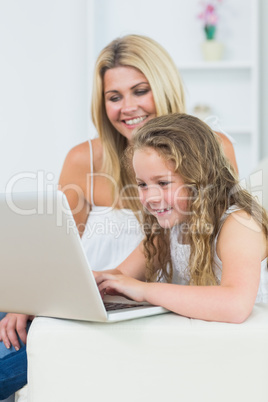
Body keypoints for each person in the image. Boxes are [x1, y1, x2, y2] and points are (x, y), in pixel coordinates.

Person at [0, 35, 238, 399]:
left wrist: (120, 284)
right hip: (84, 299)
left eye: (140, 91)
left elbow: (198, 241)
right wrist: (26, 299)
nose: (128, 107)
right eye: (114, 97)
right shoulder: (85, 159)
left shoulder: (212, 148)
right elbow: (56, 249)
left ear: (164, 87)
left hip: (136, 312)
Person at [96, 113, 268, 322]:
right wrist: (90, 280)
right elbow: (120, 277)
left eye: (163, 183)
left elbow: (236, 305)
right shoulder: (172, 226)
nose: (150, 197)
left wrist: (145, 290)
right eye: (142, 184)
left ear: (201, 180)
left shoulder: (239, 225)